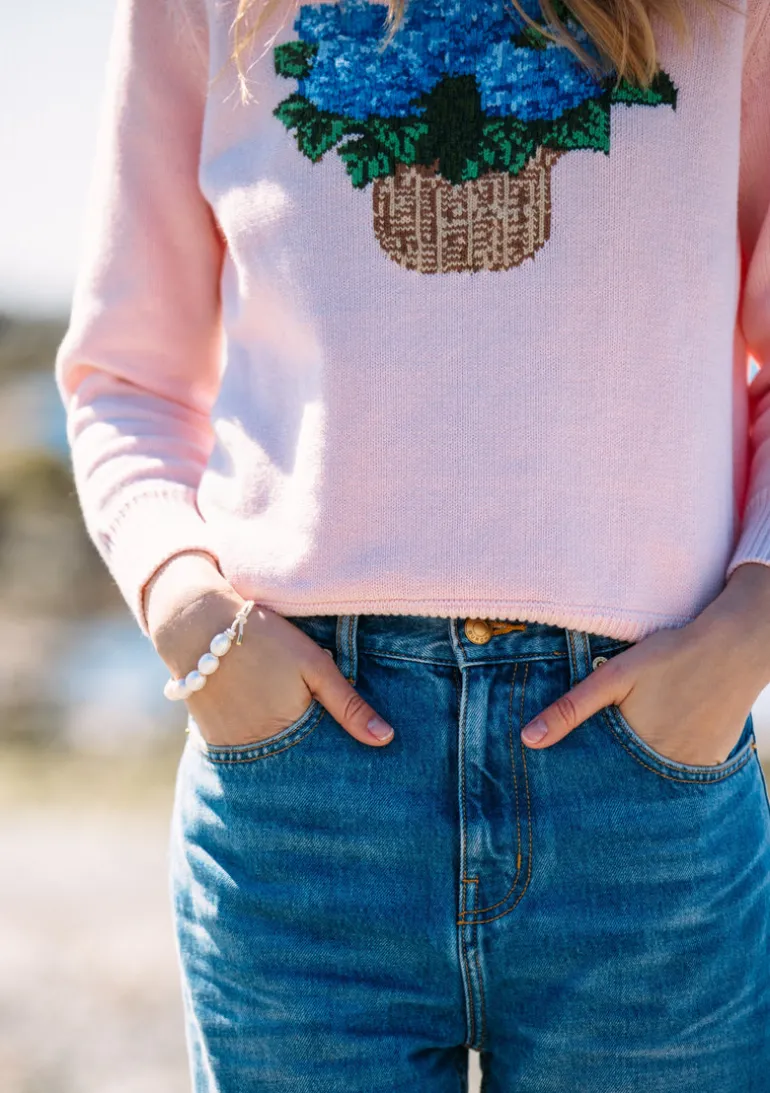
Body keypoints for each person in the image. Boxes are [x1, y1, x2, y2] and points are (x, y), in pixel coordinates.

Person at [55, 0, 770, 1088]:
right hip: (301, 793)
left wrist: (746, 632)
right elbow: (125, 376)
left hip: (644, 795)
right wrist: (191, 617)